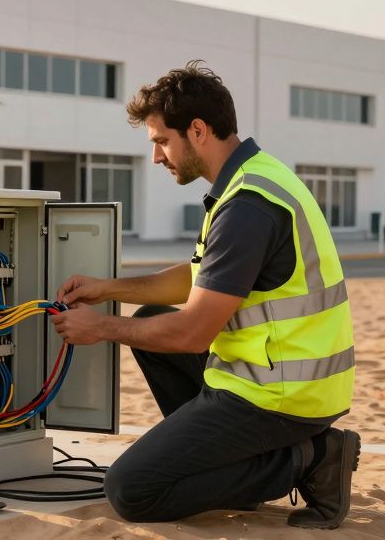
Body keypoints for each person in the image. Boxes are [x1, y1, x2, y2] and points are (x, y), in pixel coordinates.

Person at [51, 61, 358, 529]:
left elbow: (193, 332)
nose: (157, 156)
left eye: (161, 141)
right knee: (151, 316)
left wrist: (103, 328)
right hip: (274, 378)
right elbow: (198, 280)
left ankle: (313, 458)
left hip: (281, 396)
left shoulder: (248, 207)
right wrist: (108, 288)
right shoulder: (253, 177)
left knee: (131, 490)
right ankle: (235, 472)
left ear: (197, 130)